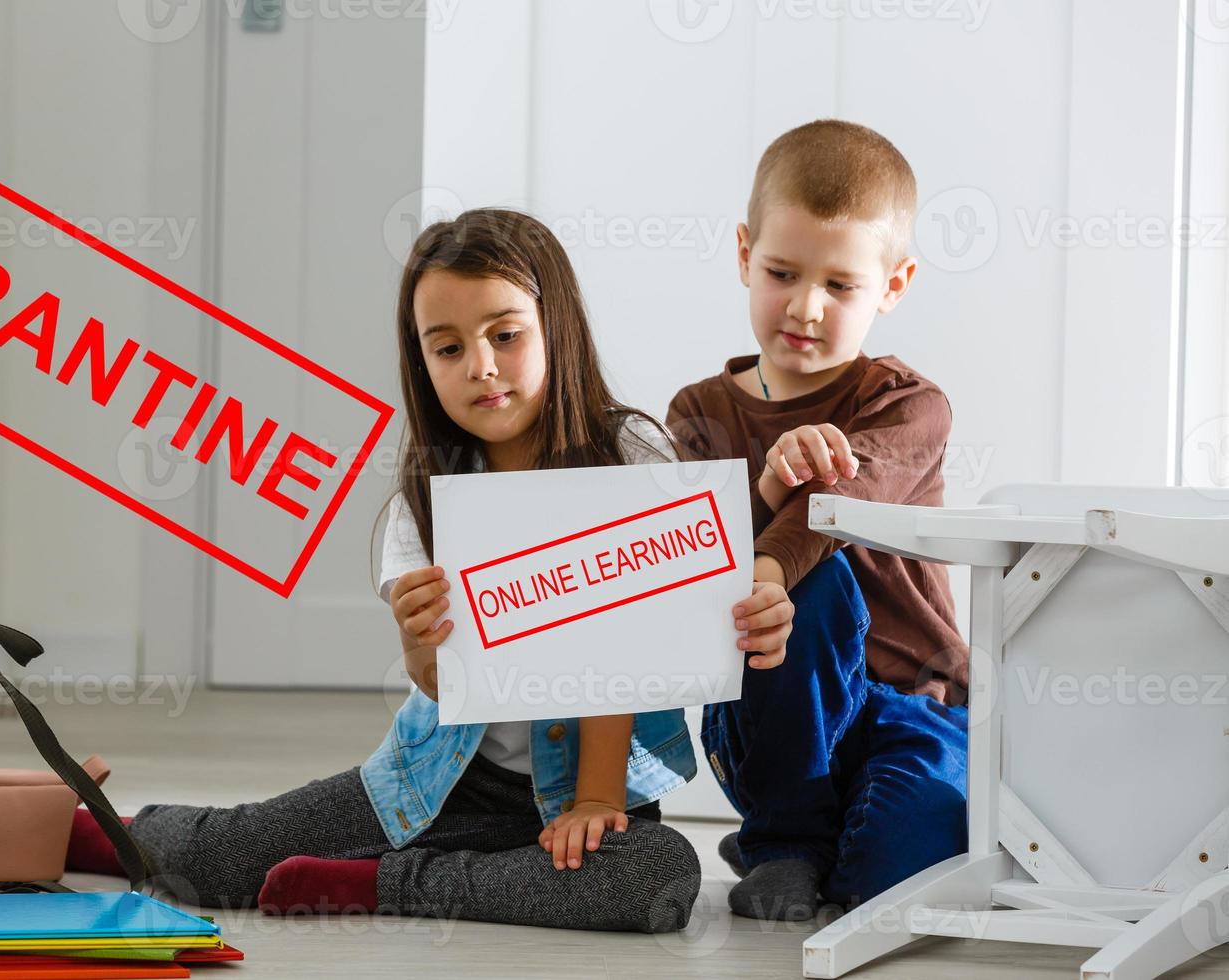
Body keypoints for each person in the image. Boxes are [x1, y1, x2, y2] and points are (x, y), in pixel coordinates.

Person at [71, 208, 795, 933]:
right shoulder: (425, 498)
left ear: (556, 328)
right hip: (443, 783)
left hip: (595, 793)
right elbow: (437, 678)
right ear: (422, 362)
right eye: (447, 349)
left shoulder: (634, 454)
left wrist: (597, 798)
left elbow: (625, 652)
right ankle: (64, 824)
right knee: (220, 862)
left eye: (505, 336)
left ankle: (386, 882)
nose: (480, 366)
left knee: (658, 876)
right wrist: (421, 642)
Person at [667, 120, 971, 922]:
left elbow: (838, 504)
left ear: (894, 284)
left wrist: (767, 552)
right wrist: (762, 494)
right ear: (743, 254)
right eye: (781, 272)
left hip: (909, 702)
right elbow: (687, 553)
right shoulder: (699, 414)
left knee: (894, 880)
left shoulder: (908, 405)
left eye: (841, 286)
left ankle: (818, 847)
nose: (804, 307)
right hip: (769, 714)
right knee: (813, 587)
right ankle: (787, 837)